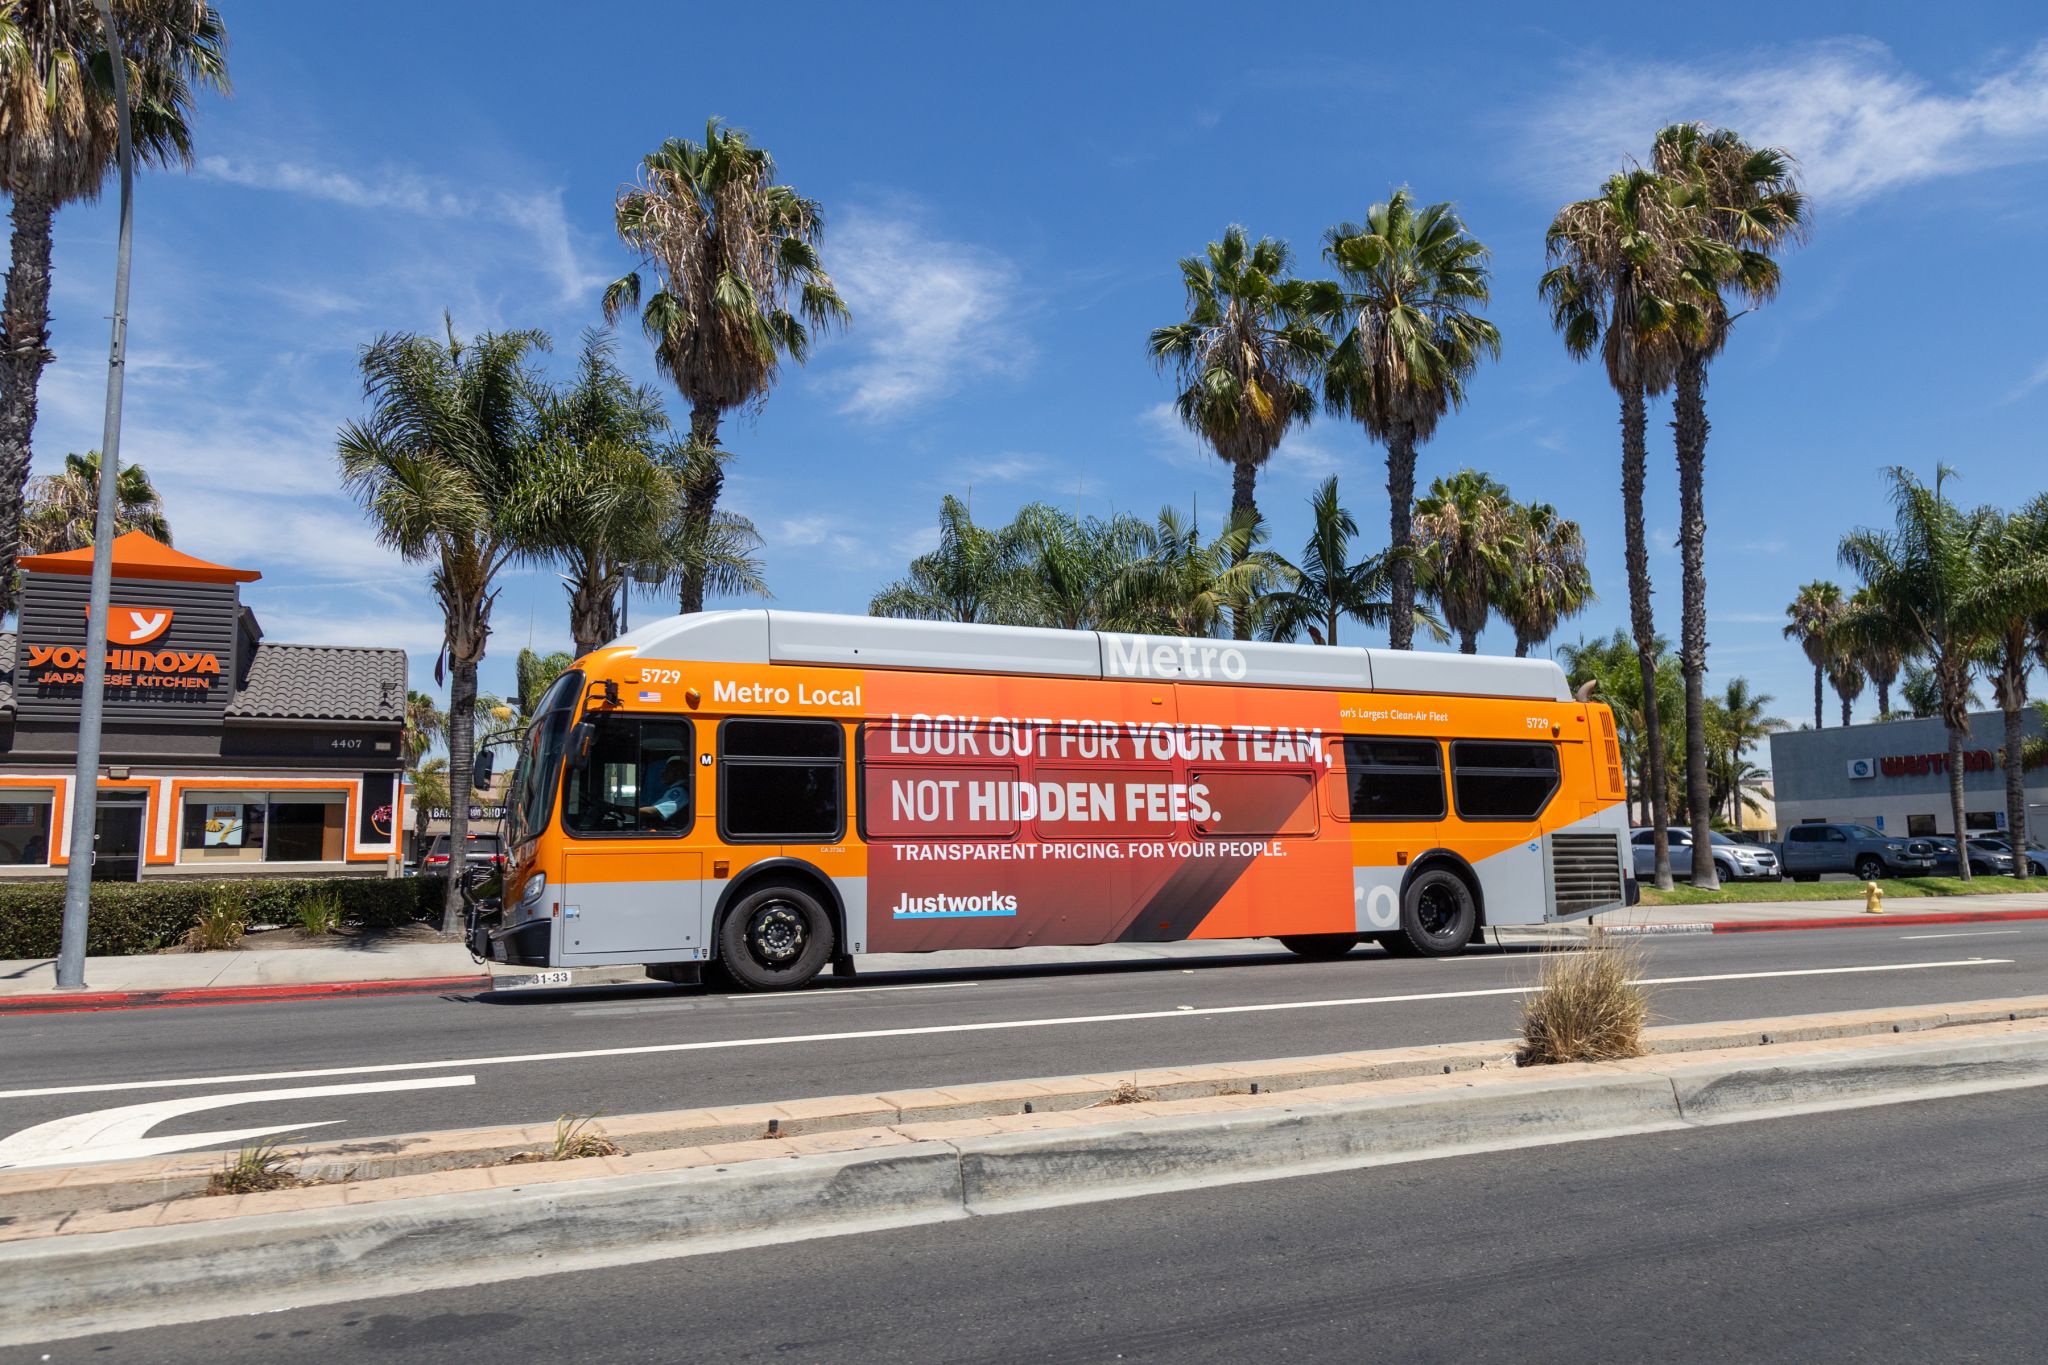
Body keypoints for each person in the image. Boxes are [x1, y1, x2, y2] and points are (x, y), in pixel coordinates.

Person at [637, 755, 692, 828]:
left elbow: (653, 812)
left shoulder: (679, 791)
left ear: (678, 772)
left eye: (667, 770)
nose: (662, 773)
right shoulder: (678, 789)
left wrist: (626, 810)